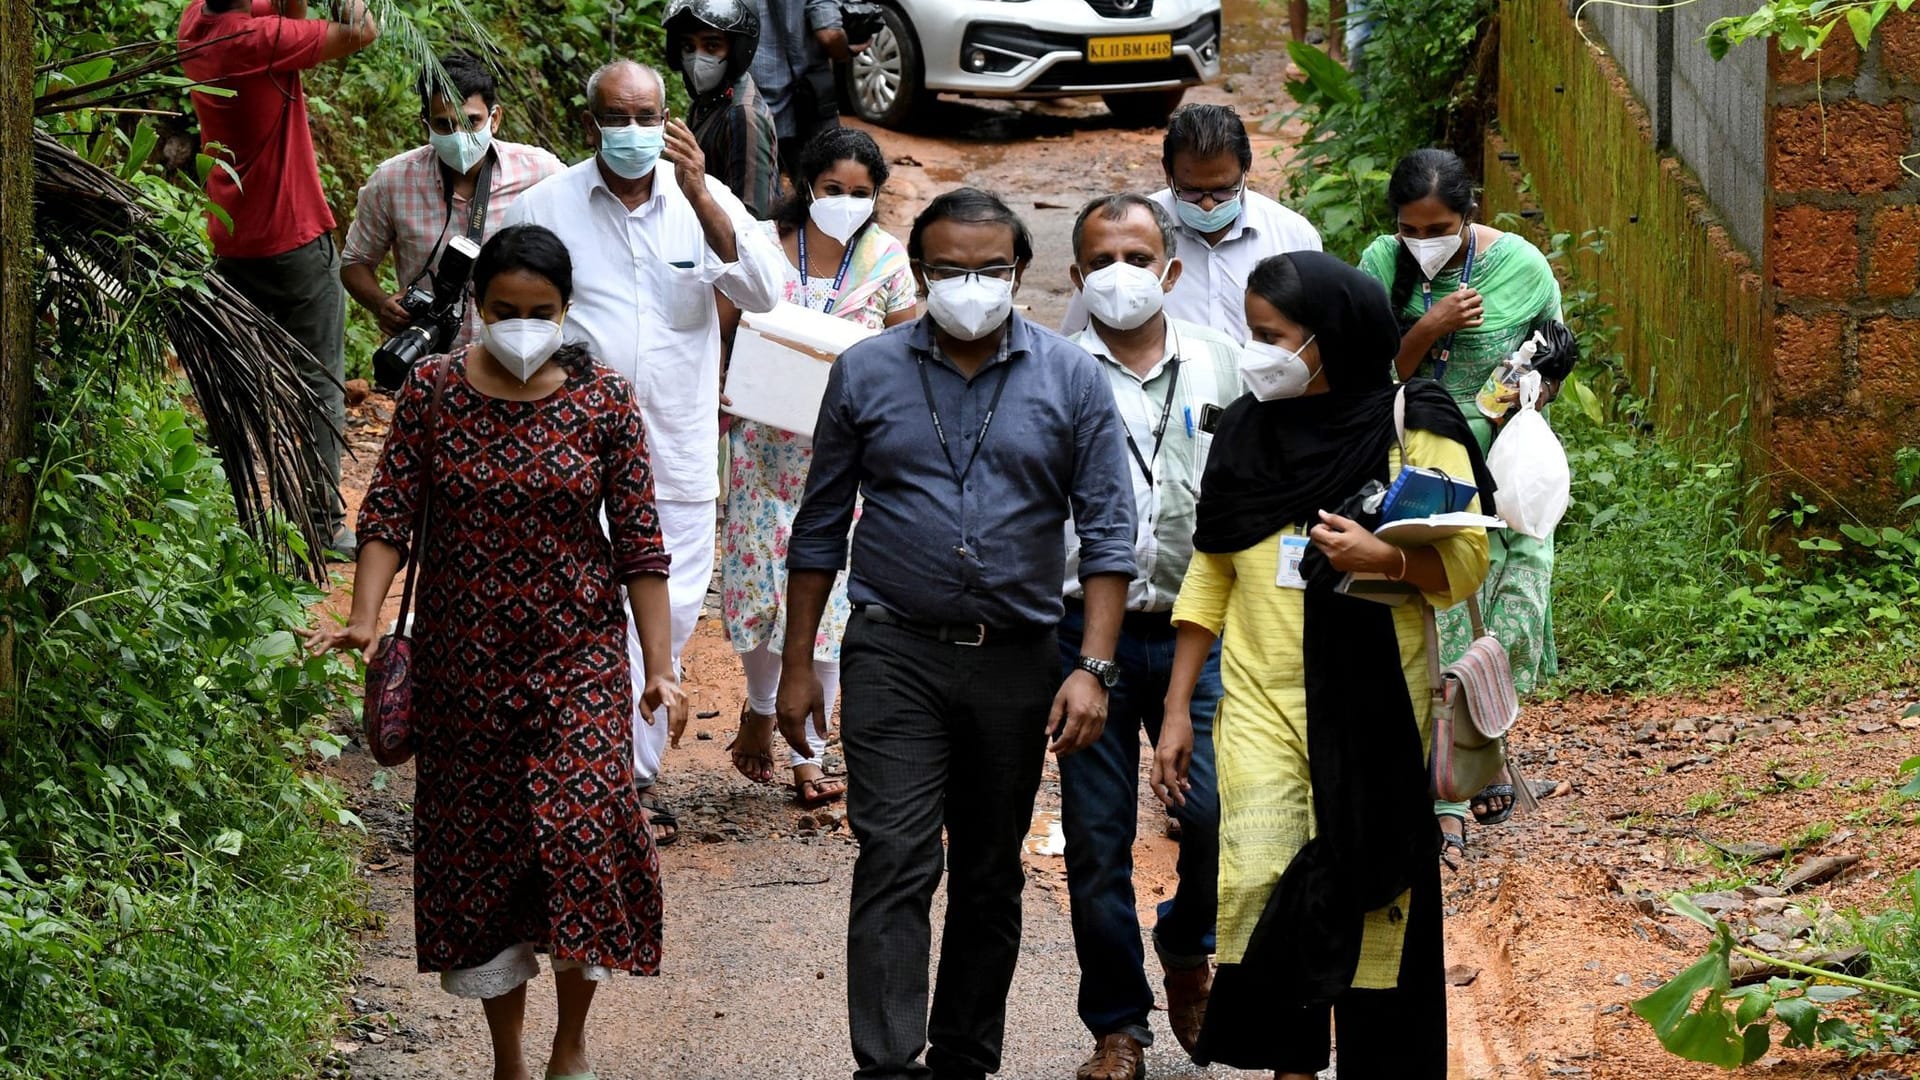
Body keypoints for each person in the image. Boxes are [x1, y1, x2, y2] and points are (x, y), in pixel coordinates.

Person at [305, 223, 690, 1080]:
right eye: (504, 310)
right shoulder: (435, 391)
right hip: (462, 666)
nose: (522, 324)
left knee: (586, 834)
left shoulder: (605, 402)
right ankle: (510, 1057)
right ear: (476, 310)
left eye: (541, 311)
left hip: (580, 660)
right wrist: (365, 617)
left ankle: (572, 1042)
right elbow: (389, 515)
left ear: (566, 311)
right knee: (484, 858)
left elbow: (640, 544)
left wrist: (660, 666)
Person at [778, 188, 1137, 1080]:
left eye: (987, 269)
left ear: (1021, 271)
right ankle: (888, 1065)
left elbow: (1108, 533)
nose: (968, 285)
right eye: (947, 269)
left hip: (1017, 658)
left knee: (988, 871)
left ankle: (966, 1058)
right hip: (893, 646)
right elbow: (819, 528)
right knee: (895, 855)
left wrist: (1091, 666)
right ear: (919, 271)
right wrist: (796, 668)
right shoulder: (865, 373)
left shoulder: (1071, 376)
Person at [1153, 251, 1492, 1079]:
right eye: (1251, 333)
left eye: (1273, 336)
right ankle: (1291, 1066)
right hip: (1260, 700)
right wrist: (1173, 707)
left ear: (1330, 337)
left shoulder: (1415, 423)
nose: (1255, 351)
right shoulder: (1242, 429)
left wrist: (1385, 559)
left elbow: (1466, 567)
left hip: (1377, 700)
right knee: (1262, 881)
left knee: (1371, 887)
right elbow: (1213, 567)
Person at [502, 60, 785, 845]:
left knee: (672, 609)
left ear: (670, 120)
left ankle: (617, 764)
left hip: (678, 452)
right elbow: (497, 316)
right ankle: (613, 776)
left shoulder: (704, 201)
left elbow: (768, 293)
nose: (632, 133)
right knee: (577, 605)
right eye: (616, 118)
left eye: (647, 117)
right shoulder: (543, 207)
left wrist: (700, 195)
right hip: (569, 450)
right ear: (589, 122)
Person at [1055, 193, 1243, 1080]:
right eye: (1101, 260)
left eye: (1138, 255)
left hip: (1198, 627)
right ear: (1076, 276)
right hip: (1081, 632)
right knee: (1095, 838)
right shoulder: (1050, 370)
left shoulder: (1223, 365)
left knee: (1208, 811)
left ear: (1170, 270)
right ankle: (1118, 1026)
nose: (1120, 274)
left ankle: (1188, 944)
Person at [1357, 147, 1564, 857]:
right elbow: (1365, 374)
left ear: (1470, 215)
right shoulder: (1381, 265)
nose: (1423, 241)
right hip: (1421, 462)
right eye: (1410, 228)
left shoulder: (1522, 266)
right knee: (1441, 620)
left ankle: (1485, 743)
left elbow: (1554, 353)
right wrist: (1428, 326)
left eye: (1438, 226)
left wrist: (1533, 383)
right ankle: (1449, 792)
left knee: (1518, 606)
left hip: (1504, 462)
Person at [718, 127, 917, 806]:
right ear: (805, 187)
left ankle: (810, 753)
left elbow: (906, 350)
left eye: (862, 193)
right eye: (834, 190)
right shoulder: (766, 251)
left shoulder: (888, 260)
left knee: (831, 601)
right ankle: (760, 704)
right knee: (759, 589)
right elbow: (726, 326)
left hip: (846, 459)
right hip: (762, 448)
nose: (847, 202)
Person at [178, 0, 378, 559]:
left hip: (230, 237)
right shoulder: (258, 39)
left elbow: (286, 14)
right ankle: (321, 524)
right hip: (291, 239)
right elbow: (361, 30)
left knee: (238, 383)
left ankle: (233, 517)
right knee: (318, 383)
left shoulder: (198, 21)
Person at [342, 51, 564, 356]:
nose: (459, 136)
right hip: (431, 360)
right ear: (426, 125)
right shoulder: (392, 181)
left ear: (494, 118)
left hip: (517, 355)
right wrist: (382, 303)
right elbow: (355, 262)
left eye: (471, 121)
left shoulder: (540, 172)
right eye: (444, 125)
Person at [1062, 105, 1321, 345]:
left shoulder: (1293, 235)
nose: (1207, 205)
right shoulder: (1129, 233)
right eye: (1190, 192)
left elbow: (1313, 338)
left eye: (1223, 192)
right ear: (1167, 171)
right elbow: (1077, 338)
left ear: (1246, 169)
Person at [667, 0, 781, 218]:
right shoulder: (710, 99)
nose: (697, 58)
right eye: (689, 47)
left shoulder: (742, 115)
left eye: (711, 46)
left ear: (737, 49)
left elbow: (751, 216)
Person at [749, 0, 860, 184]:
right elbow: (830, 34)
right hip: (805, 106)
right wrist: (846, 49)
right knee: (822, 188)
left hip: (751, 106)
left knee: (752, 196)